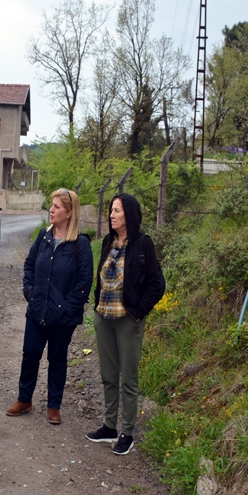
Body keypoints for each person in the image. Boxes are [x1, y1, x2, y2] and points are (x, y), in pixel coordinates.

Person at [86, 193, 165, 455]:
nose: (111, 215)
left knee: (128, 378)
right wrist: (96, 306)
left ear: (129, 214)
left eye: (117, 211)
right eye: (111, 210)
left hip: (127, 320)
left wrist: (139, 312)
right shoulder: (109, 241)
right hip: (104, 318)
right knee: (109, 375)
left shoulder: (143, 244)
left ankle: (127, 432)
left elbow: (157, 284)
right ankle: (109, 426)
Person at [6, 189, 93, 425]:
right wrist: (30, 292)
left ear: (69, 212)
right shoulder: (44, 237)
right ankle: (24, 399)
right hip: (37, 310)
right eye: (51, 206)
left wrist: (64, 308)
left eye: (56, 207)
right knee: (30, 355)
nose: (51, 210)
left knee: (57, 358)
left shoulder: (80, 244)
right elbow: (30, 265)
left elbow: (84, 283)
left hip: (63, 317)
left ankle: (54, 405)